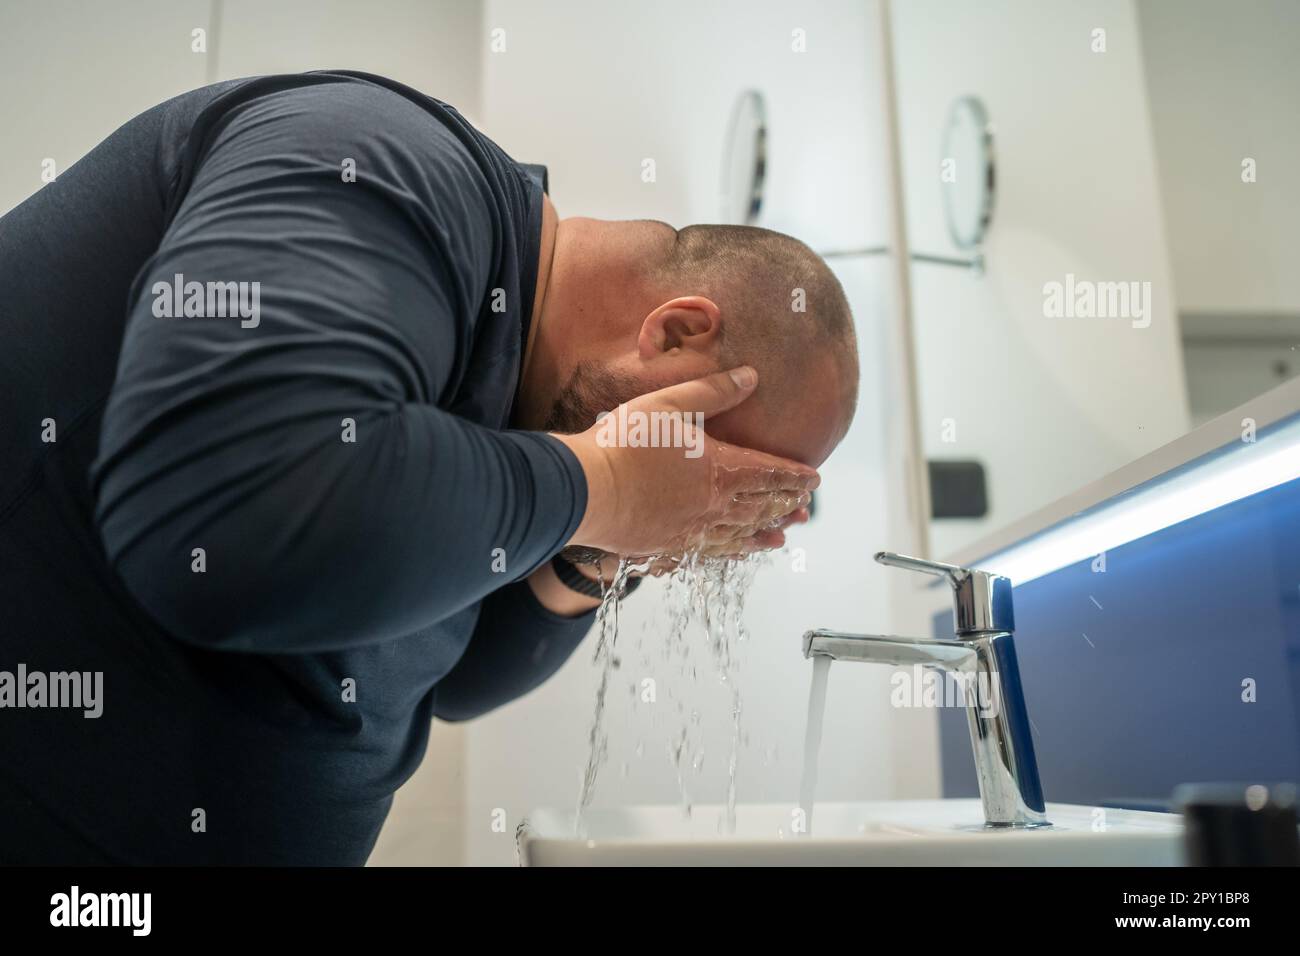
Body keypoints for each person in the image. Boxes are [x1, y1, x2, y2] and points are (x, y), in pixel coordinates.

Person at [0, 71, 858, 864]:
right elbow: (221, 518)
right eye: (713, 463)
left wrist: (597, 544)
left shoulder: (503, 401)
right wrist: (611, 486)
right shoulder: (373, 161)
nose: (707, 512)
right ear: (675, 331)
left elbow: (448, 679)